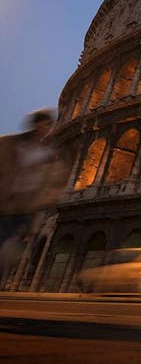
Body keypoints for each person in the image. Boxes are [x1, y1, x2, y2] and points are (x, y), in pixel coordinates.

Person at [0, 110, 65, 288]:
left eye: (48, 126)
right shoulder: (10, 144)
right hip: (6, 205)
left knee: (10, 253)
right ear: (34, 125)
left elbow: (54, 182)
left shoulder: (49, 154)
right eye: (42, 125)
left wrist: (45, 202)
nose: (45, 129)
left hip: (27, 208)